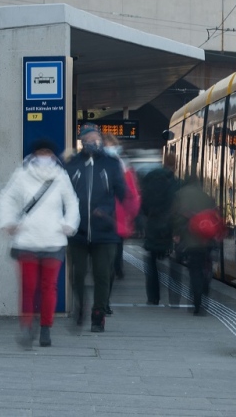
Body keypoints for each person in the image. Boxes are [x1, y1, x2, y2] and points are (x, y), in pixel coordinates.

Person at [0, 138, 80, 348]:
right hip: (27, 241)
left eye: (48, 152)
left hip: (53, 240)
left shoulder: (61, 177)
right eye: (40, 152)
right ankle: (26, 326)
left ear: (53, 155)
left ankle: (45, 329)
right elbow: (6, 199)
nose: (44, 156)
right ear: (33, 154)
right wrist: (7, 222)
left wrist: (69, 224)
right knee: (28, 287)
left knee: (49, 287)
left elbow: (72, 202)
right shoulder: (21, 176)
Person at [65, 124, 127, 333]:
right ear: (81, 141)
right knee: (78, 273)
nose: (93, 141)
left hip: (105, 231)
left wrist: (109, 211)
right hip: (78, 231)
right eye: (88, 138)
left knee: (102, 274)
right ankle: (80, 307)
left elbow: (122, 192)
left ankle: (98, 313)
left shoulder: (111, 164)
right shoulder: (72, 164)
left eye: (95, 138)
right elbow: (63, 194)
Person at [103, 133, 141, 314]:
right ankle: (102, 301)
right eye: (106, 145)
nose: (110, 148)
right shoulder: (92, 164)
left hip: (116, 224)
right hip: (98, 223)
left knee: (108, 265)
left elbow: (132, 197)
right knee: (102, 265)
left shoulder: (124, 167)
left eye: (111, 145)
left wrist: (127, 217)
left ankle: (103, 302)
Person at [172, 175, 217, 316]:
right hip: (206, 239)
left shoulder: (179, 195)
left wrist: (176, 234)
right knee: (205, 267)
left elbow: (176, 217)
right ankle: (203, 292)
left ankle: (196, 299)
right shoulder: (206, 197)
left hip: (191, 240)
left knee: (194, 271)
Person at [140, 153, 179, 306]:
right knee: (174, 262)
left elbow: (142, 203)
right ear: (174, 165)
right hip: (170, 226)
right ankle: (174, 297)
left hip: (153, 225)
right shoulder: (176, 183)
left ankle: (153, 297)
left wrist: (148, 216)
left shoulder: (150, 179)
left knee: (151, 263)